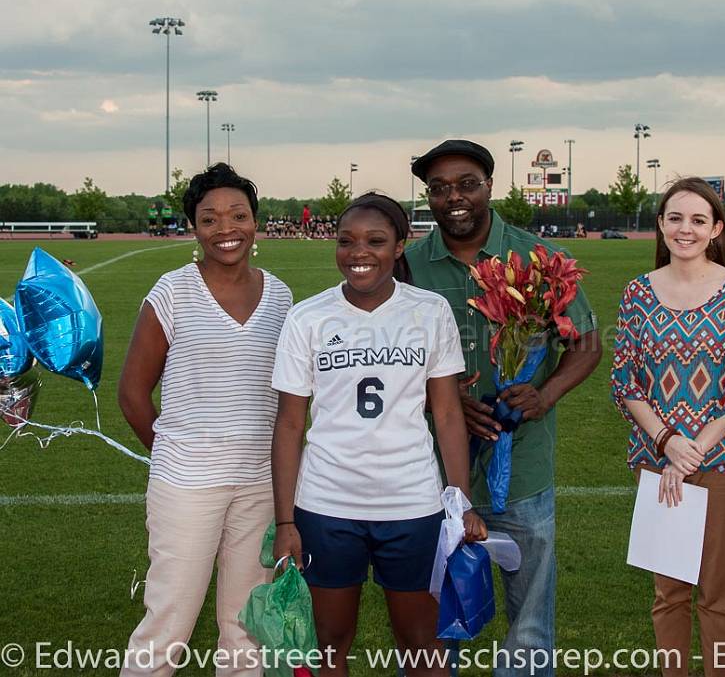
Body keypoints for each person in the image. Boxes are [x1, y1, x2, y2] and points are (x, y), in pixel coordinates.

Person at [405, 140, 602, 676]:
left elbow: (586, 343)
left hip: (523, 470)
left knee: (530, 623)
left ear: (490, 185)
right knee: (432, 623)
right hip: (434, 475)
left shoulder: (534, 257)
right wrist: (441, 399)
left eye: (467, 183)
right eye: (440, 188)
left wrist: (546, 393)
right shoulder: (407, 265)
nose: (454, 197)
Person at [271, 192, 487, 677]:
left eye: (375, 240)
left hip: (411, 502)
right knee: (327, 642)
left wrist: (461, 502)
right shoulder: (308, 317)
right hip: (327, 504)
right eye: (346, 241)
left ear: (398, 246)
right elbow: (289, 424)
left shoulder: (429, 311)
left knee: (421, 643)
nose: (358, 252)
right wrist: (286, 522)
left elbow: (448, 414)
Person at [118, 163, 293, 677]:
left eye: (238, 215)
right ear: (193, 227)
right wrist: (178, 452)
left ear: (256, 223)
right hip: (187, 484)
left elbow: (290, 396)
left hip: (260, 483)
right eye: (210, 218)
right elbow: (132, 392)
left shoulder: (280, 295)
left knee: (246, 630)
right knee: (169, 619)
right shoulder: (172, 292)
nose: (226, 229)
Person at [611, 176, 725, 677]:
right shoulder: (637, 293)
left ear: (717, 228)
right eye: (675, 218)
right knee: (669, 593)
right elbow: (626, 383)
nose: (686, 229)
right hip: (657, 460)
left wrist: (692, 451)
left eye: (698, 219)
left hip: (723, 460)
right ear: (660, 224)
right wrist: (668, 443)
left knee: (717, 595)